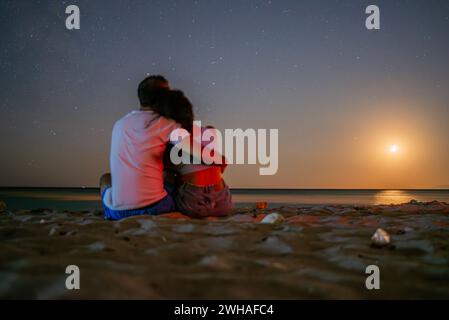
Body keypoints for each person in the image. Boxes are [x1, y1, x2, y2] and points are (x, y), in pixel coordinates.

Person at [99, 75, 180, 220]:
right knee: (170, 175)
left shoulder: (119, 124)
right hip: (156, 208)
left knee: (105, 179)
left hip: (118, 212)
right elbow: (191, 152)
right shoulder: (166, 123)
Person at [152, 89, 233, 218]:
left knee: (166, 175)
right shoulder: (210, 131)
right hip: (223, 204)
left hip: (194, 205)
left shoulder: (172, 139)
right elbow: (220, 166)